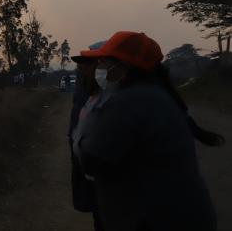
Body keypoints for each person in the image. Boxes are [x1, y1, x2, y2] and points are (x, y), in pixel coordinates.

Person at [72, 31, 224, 231]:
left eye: (103, 62)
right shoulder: (152, 95)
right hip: (179, 215)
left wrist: (81, 131)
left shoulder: (129, 103)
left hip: (157, 220)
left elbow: (92, 160)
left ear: (123, 67)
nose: (99, 68)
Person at [70, 40, 107, 231]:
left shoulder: (116, 99)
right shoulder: (88, 93)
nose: (82, 68)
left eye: (89, 64)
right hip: (95, 183)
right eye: (81, 64)